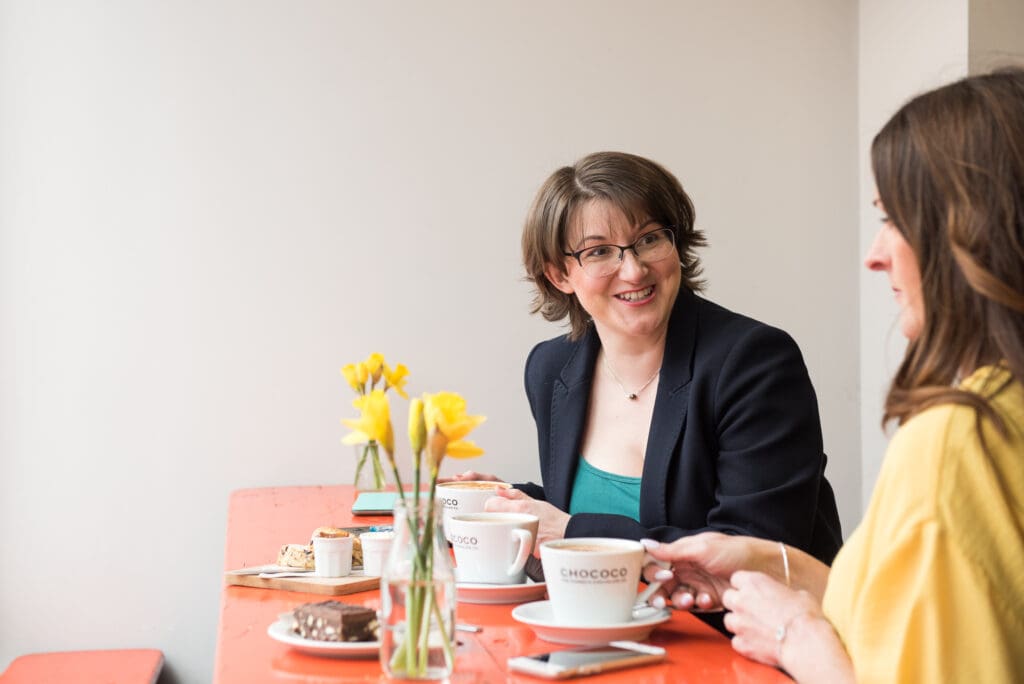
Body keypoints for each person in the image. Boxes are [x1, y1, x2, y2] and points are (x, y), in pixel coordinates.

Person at [643, 68, 1024, 682]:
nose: (875, 254)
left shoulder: (957, 440)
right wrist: (764, 562)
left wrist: (797, 637)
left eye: (893, 219)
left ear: (975, 233)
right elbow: (899, 612)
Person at [456, 150, 842, 569]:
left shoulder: (754, 363)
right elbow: (607, 507)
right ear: (559, 275)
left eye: (649, 239)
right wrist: (516, 502)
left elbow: (753, 549)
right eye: (599, 252)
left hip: (735, 629)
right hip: (605, 620)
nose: (634, 270)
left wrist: (570, 533)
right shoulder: (551, 368)